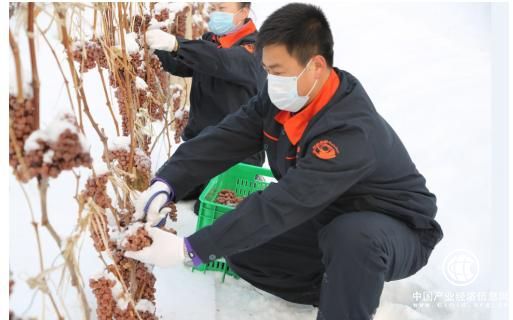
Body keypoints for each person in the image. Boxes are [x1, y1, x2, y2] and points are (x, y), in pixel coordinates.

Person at [127, 3, 444, 319]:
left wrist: (189, 249)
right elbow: (224, 138)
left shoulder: (349, 130)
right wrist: (166, 182)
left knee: (352, 236)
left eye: (278, 71)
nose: (270, 80)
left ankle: (347, 299)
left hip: (395, 228)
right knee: (243, 248)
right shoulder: (282, 99)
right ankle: (341, 285)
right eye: (267, 69)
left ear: (316, 66)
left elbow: (287, 202)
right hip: (328, 215)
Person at [145, 2, 266, 203]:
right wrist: (155, 49)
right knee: (163, 189)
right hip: (201, 148)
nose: (216, 14)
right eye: (214, 8)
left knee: (209, 207)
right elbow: (185, 63)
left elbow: (222, 61)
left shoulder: (257, 49)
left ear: (243, 12)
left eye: (223, 9)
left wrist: (177, 44)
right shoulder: (212, 40)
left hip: (236, 154)